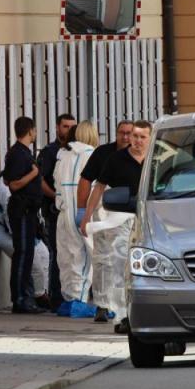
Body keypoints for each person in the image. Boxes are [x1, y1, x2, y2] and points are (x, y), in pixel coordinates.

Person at [80, 120, 152, 333]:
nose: (133, 140)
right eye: (131, 135)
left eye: (139, 136)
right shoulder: (113, 158)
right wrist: (85, 214)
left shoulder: (155, 159)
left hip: (150, 218)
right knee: (120, 264)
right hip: (119, 215)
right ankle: (121, 315)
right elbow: (98, 186)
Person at [76, 120, 133, 322]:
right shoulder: (103, 153)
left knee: (127, 258)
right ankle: (101, 304)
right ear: (116, 133)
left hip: (132, 209)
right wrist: (82, 211)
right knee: (102, 256)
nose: (125, 137)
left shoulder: (142, 154)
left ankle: (126, 305)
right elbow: (86, 180)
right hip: (105, 208)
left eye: (129, 133)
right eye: (121, 133)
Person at [53, 121, 99, 317]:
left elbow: (56, 183)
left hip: (63, 212)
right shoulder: (92, 155)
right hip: (83, 211)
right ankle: (79, 301)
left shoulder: (63, 156)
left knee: (66, 256)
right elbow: (97, 186)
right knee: (85, 258)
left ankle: (69, 298)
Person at [2, 116, 47, 314]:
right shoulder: (18, 154)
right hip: (21, 210)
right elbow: (13, 184)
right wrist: (33, 174)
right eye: (35, 131)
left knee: (27, 254)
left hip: (28, 211)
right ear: (30, 131)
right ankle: (20, 299)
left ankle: (26, 297)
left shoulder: (22, 153)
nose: (35, 134)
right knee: (22, 254)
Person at [0, 173, 52, 303]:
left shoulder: (24, 179)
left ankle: (43, 291)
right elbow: (9, 214)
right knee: (32, 258)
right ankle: (38, 296)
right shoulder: (3, 187)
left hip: (22, 226)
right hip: (1, 231)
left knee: (44, 254)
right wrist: (23, 238)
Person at [37, 114, 77, 311]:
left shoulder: (77, 152)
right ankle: (56, 297)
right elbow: (41, 180)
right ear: (57, 128)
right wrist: (56, 197)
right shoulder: (49, 152)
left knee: (73, 254)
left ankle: (71, 295)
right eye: (65, 126)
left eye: (72, 126)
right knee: (57, 253)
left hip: (73, 210)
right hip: (54, 211)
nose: (68, 130)